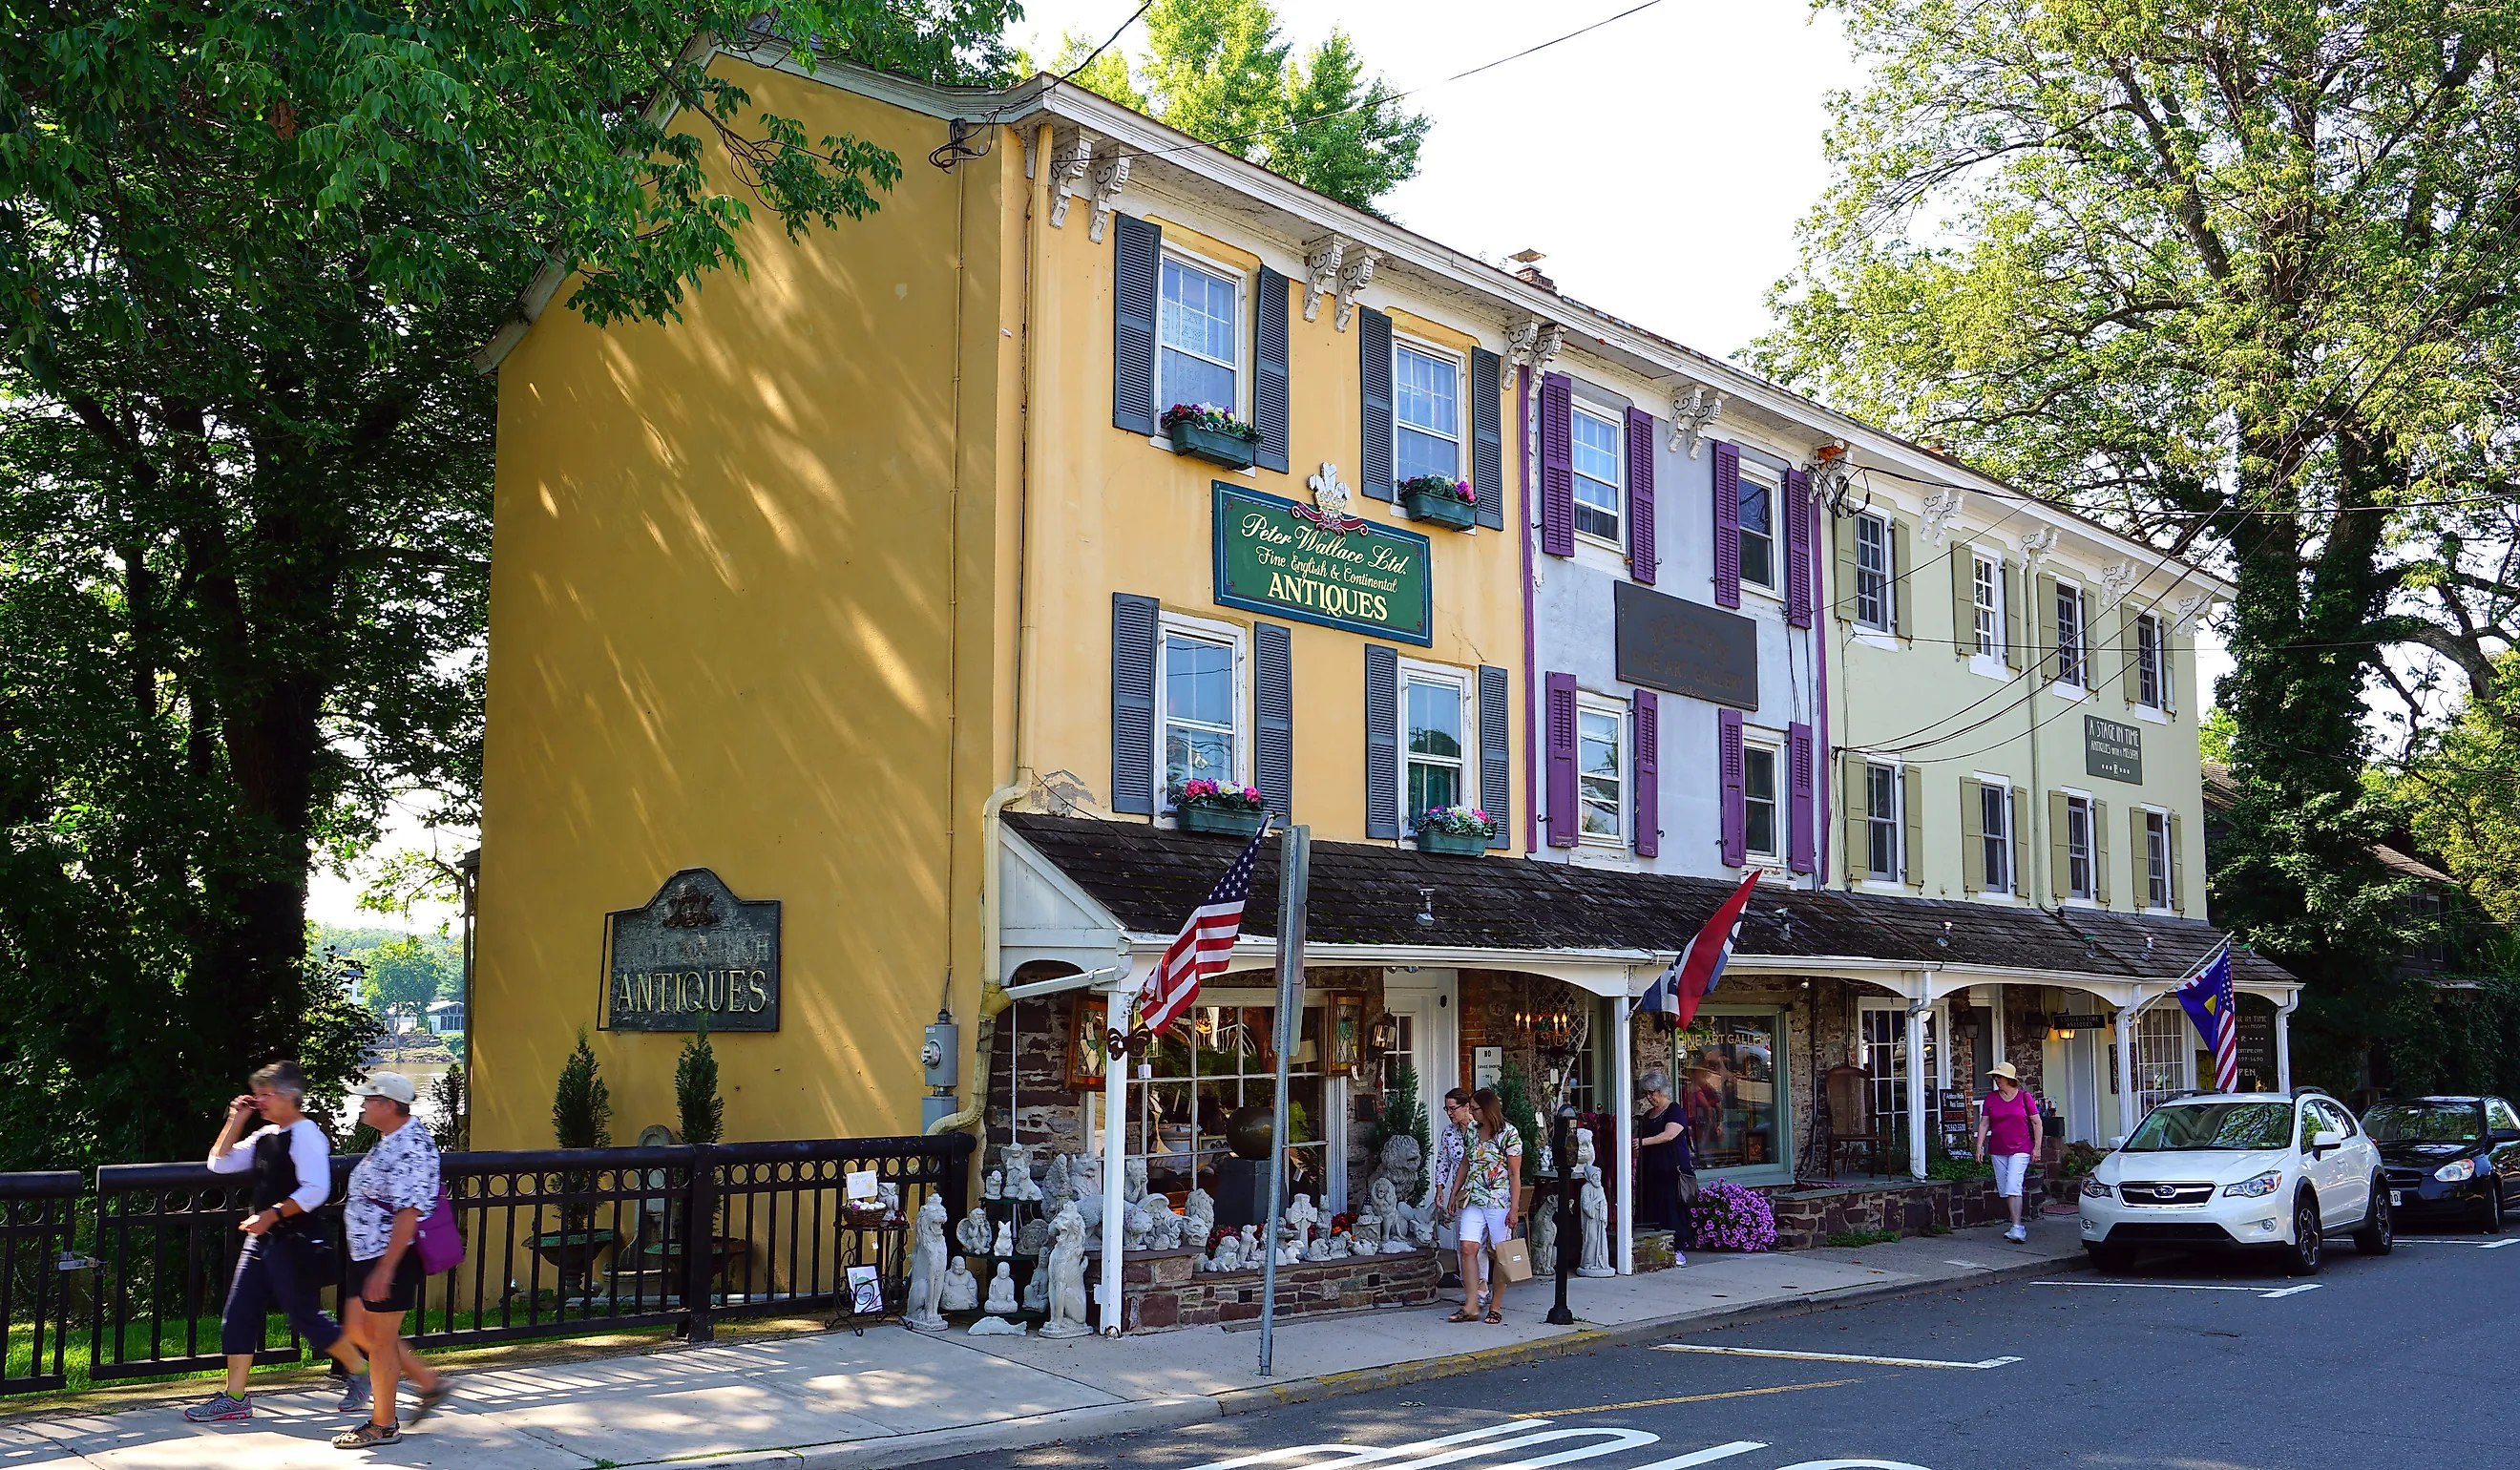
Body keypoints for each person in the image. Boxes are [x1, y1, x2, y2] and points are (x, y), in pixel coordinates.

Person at [184, 1062, 368, 1424]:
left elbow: (316, 1189)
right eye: (259, 1094)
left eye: (267, 1094)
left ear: (289, 1096)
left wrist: (270, 1215)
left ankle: (360, 1370)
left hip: (294, 1240)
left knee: (304, 1317)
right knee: (238, 1313)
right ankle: (235, 1397)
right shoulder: (265, 1135)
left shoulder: (307, 1136)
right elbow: (218, 1164)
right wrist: (237, 1118)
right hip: (262, 1240)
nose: (261, 1101)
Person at [332, 1073, 452, 1449]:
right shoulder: (391, 1139)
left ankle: (383, 1424)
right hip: (368, 1253)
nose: (363, 1105)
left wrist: (385, 1270)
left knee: (380, 1341)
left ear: (388, 1104)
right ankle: (430, 1384)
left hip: (390, 1257)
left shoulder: (412, 1147)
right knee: (357, 1330)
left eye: (369, 1100)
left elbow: (409, 1214)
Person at [1443, 1086, 1522, 1326]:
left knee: (1500, 1254)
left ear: (1486, 1109)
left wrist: (1514, 1208)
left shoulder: (1508, 1134)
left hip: (1498, 1201)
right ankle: (1471, 1304)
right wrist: (1453, 1193)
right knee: (1467, 1247)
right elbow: (1465, 1164)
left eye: (1475, 1108)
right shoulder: (1472, 1133)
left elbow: (1514, 1173)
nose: (1472, 1113)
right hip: (1473, 1199)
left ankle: (1495, 1306)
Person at [1974, 1060, 2044, 1242]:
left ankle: (2017, 1226)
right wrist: (1979, 1146)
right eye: (1995, 1077)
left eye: (1999, 1077)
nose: (1996, 1080)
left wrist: (2037, 1147)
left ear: (2009, 1079)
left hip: (2021, 1147)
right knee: (2005, 1188)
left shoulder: (2023, 1097)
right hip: (1998, 1148)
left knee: (2013, 1184)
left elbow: (2037, 1122)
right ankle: (2014, 1225)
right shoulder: (1991, 1098)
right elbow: (1984, 1123)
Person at [1633, 1070, 1696, 1267]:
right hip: (1651, 1170)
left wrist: (1642, 1142)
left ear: (1662, 1090)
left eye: (1653, 1092)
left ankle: (1677, 1249)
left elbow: (1669, 1134)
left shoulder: (1674, 1110)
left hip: (1672, 1170)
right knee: (1652, 1208)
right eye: (1646, 1093)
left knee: (1672, 1209)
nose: (1650, 1097)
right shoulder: (1647, 1115)